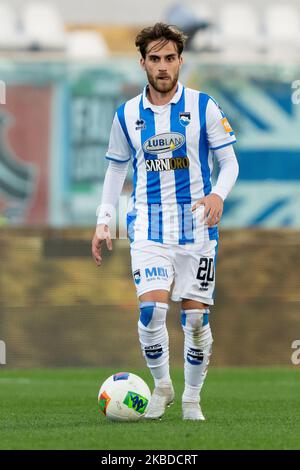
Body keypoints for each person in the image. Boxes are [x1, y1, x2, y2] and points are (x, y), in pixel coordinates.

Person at [92, 23, 239, 420]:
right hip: (148, 227)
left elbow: (229, 162)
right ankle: (162, 387)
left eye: (169, 58)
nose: (162, 66)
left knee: (194, 319)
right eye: (154, 59)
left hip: (197, 227)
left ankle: (192, 397)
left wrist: (217, 195)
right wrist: (104, 220)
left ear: (180, 61)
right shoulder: (126, 115)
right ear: (142, 62)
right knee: (152, 312)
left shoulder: (203, 106)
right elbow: (114, 172)